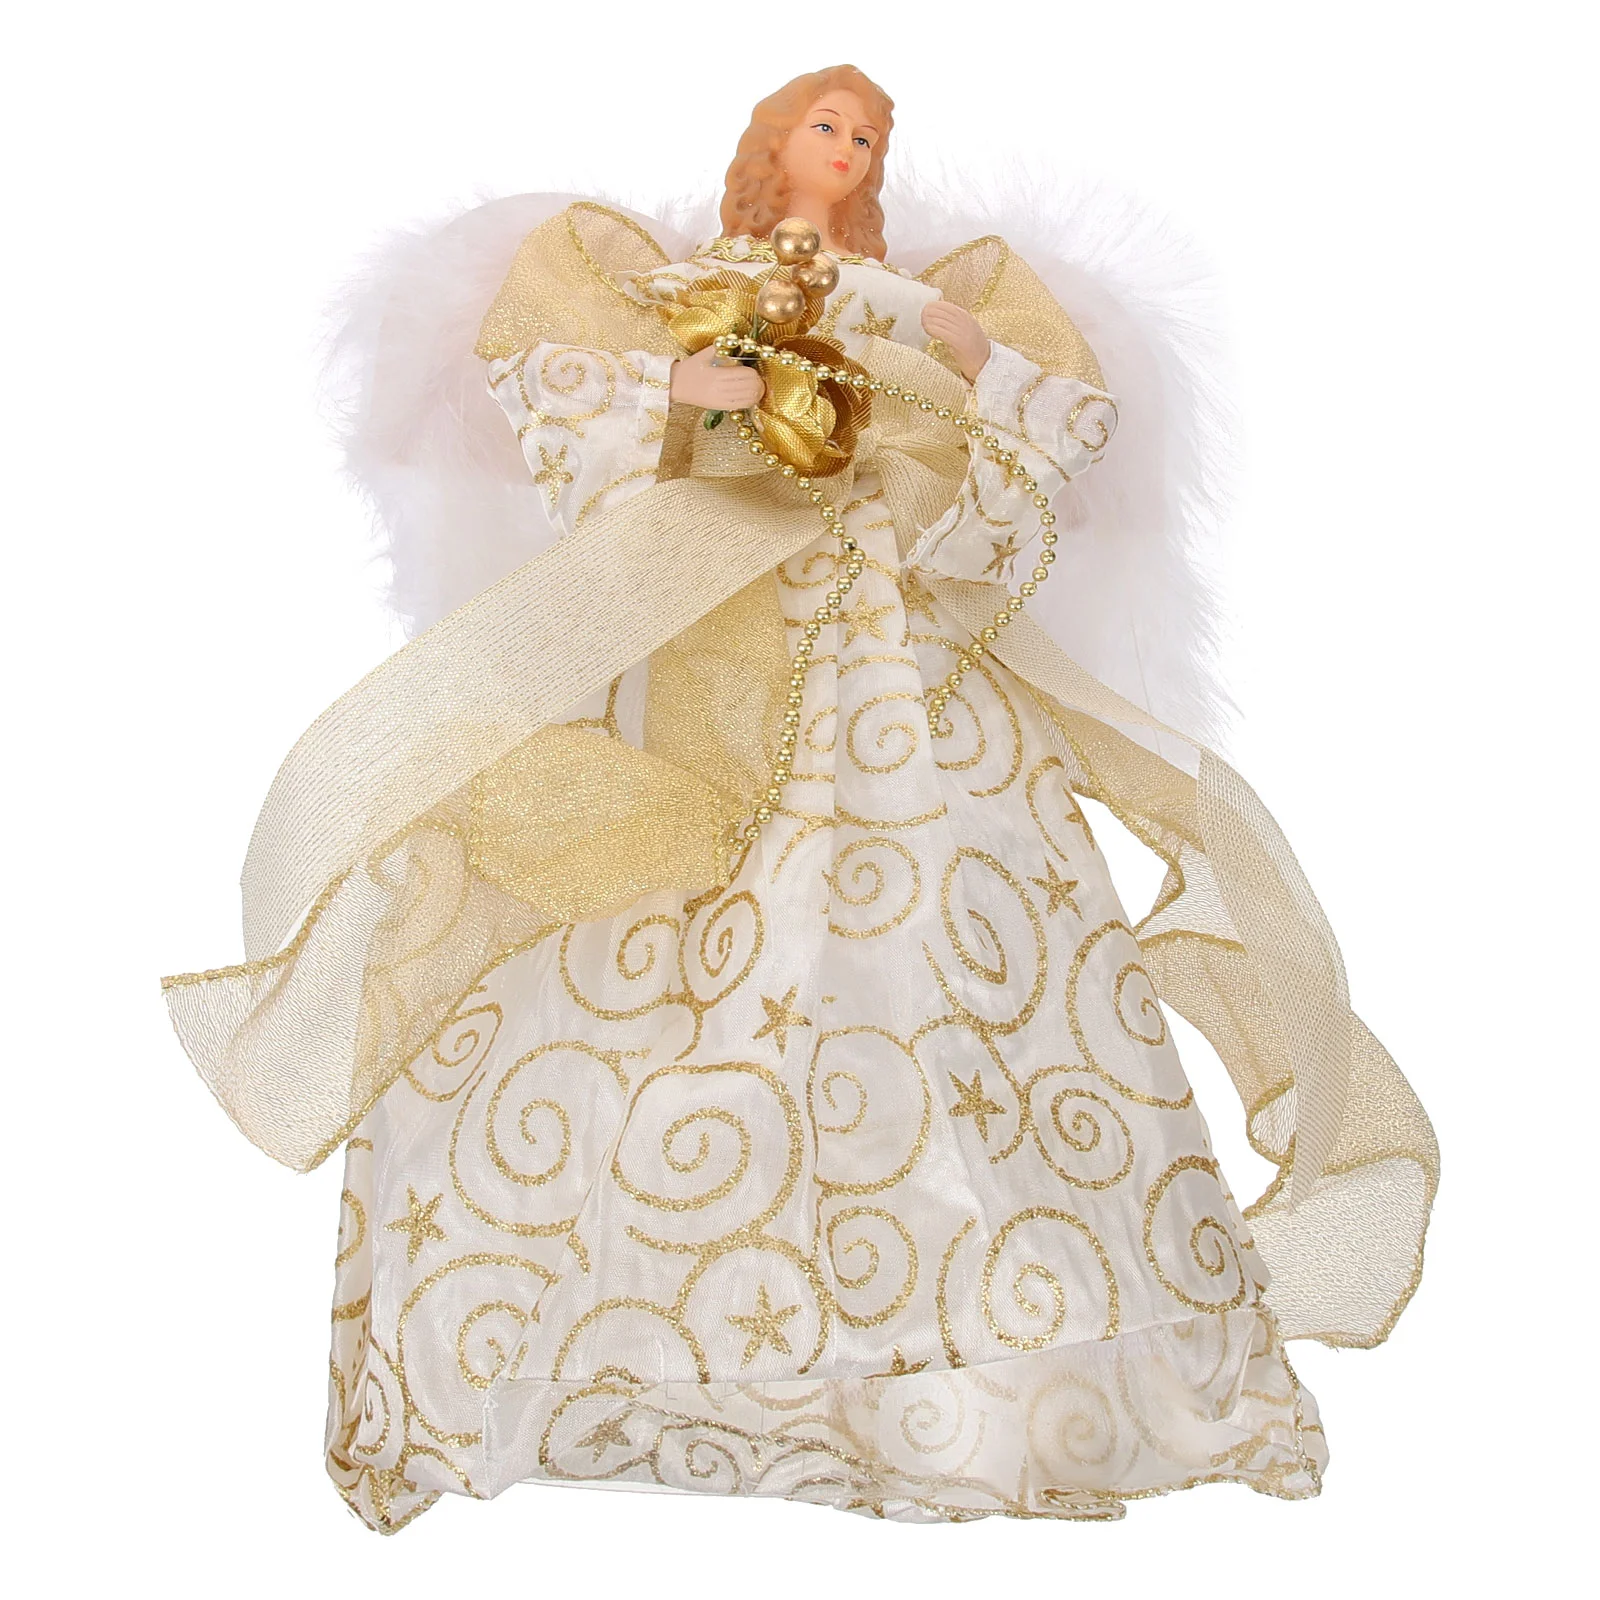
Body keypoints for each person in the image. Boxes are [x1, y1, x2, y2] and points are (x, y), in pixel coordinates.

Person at [163, 63, 1436, 1532]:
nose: (849, 148)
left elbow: (1042, 451)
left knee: (955, 976)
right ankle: (598, 1335)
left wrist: (960, 366)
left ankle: (991, 1381)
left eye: (868, 135)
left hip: (901, 665)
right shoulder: (688, 288)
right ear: (772, 143)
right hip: (704, 640)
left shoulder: (914, 303)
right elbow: (572, 405)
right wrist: (698, 393)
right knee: (640, 959)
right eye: (827, 125)